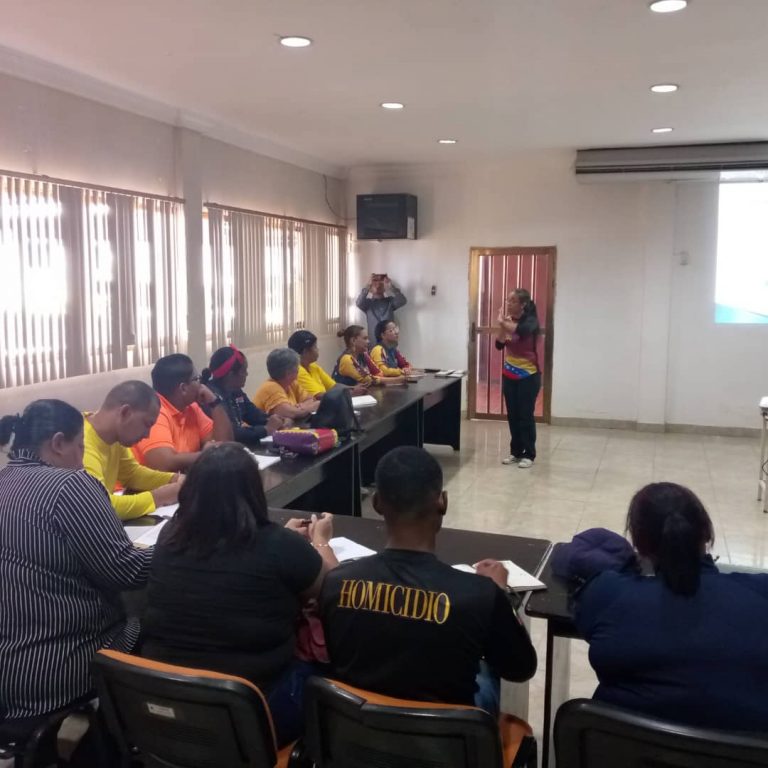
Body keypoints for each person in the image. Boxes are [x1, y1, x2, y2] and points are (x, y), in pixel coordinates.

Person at [141, 442, 339, 746]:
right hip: (250, 712)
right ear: (253, 491)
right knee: (328, 673)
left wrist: (285, 538)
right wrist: (321, 540)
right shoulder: (278, 545)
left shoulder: (170, 536)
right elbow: (332, 587)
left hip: (167, 701)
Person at [319, 446, 537, 711]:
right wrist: (501, 594)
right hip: (448, 736)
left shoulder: (336, 583)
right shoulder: (480, 595)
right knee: (483, 672)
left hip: (357, 732)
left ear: (376, 503)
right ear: (442, 502)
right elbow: (520, 668)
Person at [0, 400, 151, 765]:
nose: (83, 460)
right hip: (54, 669)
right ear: (57, 443)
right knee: (150, 623)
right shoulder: (71, 484)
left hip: (7, 669)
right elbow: (125, 571)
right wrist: (175, 549)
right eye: (80, 447)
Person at [574, 482, 768, 731]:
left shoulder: (608, 595)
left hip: (623, 747)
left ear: (639, 545)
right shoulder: (759, 594)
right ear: (706, 533)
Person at [84, 381, 184, 520]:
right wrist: (158, 497)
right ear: (125, 412)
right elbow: (100, 505)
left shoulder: (113, 436)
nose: (147, 435)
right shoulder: (80, 444)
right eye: (147, 424)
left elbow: (131, 474)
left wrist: (173, 479)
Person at [132, 353, 233, 471]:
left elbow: (224, 446)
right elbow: (163, 463)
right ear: (183, 388)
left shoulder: (191, 407)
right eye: (197, 379)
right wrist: (205, 456)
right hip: (142, 483)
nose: (201, 385)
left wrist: (214, 402)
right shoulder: (155, 412)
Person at [201, 345, 286, 446]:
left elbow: (254, 415)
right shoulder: (211, 397)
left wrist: (278, 420)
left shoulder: (236, 391)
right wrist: (266, 429)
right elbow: (232, 433)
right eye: (244, 370)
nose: (247, 374)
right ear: (231, 375)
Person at [495, 289, 541, 469]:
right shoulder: (508, 322)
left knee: (525, 415)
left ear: (523, 304)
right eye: (508, 300)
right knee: (512, 415)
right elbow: (499, 344)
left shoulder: (531, 321)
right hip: (509, 374)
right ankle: (515, 452)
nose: (508, 303)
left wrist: (503, 322)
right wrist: (502, 325)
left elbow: (522, 331)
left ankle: (529, 454)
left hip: (528, 375)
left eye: (512, 301)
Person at [287, 330, 368, 398]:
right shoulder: (297, 371)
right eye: (315, 347)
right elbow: (318, 396)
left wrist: (353, 388)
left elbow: (334, 386)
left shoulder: (313, 366)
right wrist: (351, 393)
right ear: (305, 351)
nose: (318, 349)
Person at [252, 348, 319, 420]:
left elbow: (311, 400)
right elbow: (291, 414)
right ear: (288, 373)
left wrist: (301, 408)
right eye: (297, 368)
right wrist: (312, 406)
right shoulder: (270, 387)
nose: (298, 371)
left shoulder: (291, 383)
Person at [356, 273, 407, 344]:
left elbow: (402, 300)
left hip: (389, 344)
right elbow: (359, 303)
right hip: (373, 344)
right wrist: (367, 286)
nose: (378, 285)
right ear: (370, 288)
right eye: (375, 281)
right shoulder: (367, 304)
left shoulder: (390, 302)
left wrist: (391, 287)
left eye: (381, 281)